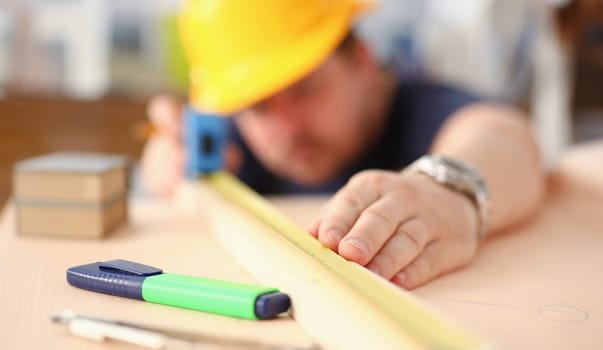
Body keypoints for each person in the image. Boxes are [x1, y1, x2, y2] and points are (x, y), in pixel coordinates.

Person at [141, 0, 544, 289]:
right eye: (258, 106)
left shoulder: (424, 110)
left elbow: (505, 136)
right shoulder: (232, 145)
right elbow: (170, 152)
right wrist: (166, 160)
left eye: (305, 89)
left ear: (363, 62)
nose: (287, 126)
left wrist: (448, 192)